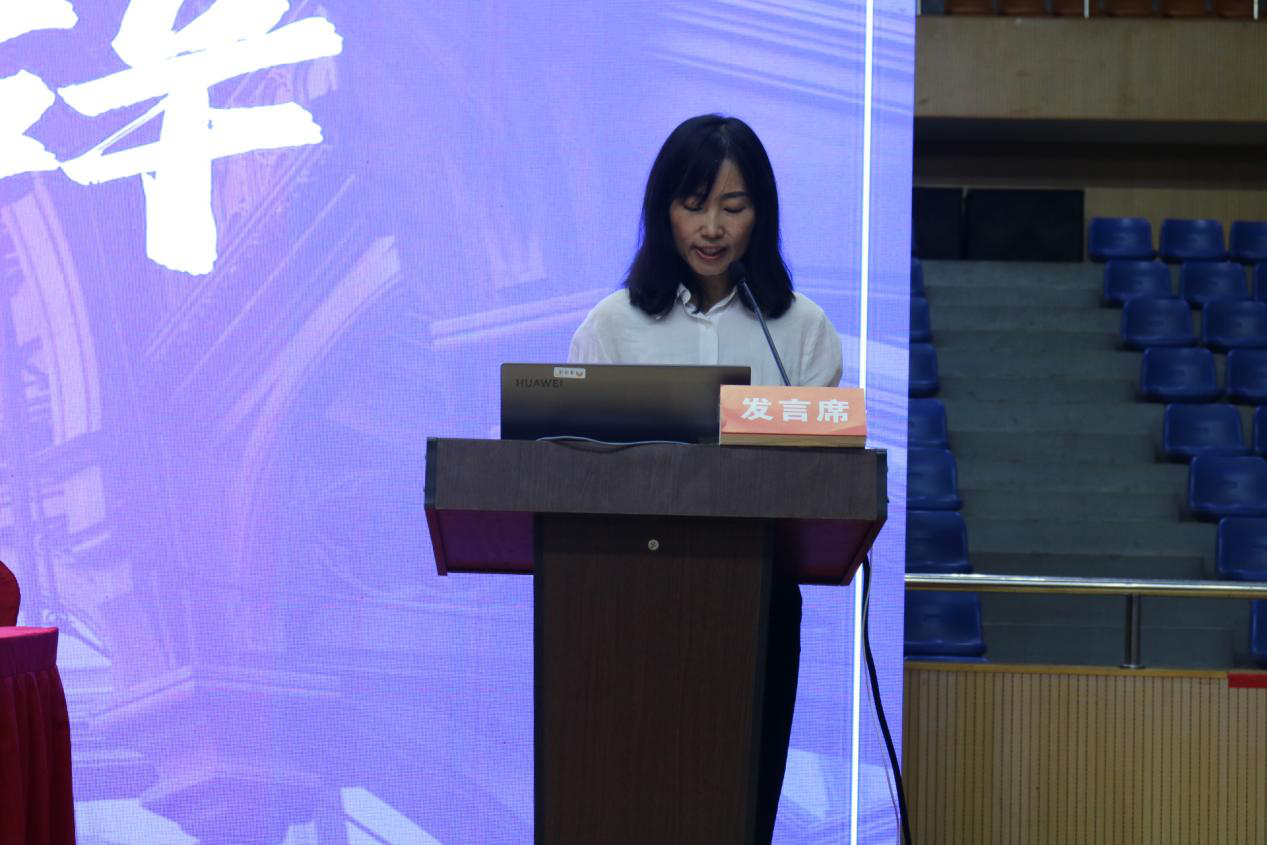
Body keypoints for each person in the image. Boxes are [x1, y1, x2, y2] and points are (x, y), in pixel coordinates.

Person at [568, 114, 843, 843]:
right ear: (664, 210)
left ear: (762, 214)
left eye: (733, 206)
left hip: (757, 600)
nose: (712, 228)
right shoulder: (612, 327)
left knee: (739, 807)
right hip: (626, 599)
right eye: (693, 205)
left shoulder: (801, 331)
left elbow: (821, 482)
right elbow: (573, 472)